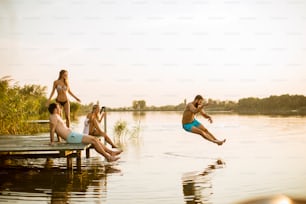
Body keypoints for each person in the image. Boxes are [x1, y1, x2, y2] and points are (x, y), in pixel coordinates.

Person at [48, 103, 120, 162]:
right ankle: (108, 157)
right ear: (54, 109)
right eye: (58, 107)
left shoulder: (56, 116)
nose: (59, 108)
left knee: (95, 139)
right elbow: (52, 130)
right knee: (93, 140)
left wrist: (59, 139)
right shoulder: (53, 117)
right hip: (71, 137)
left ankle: (111, 153)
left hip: (72, 135)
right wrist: (52, 141)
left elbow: (59, 129)